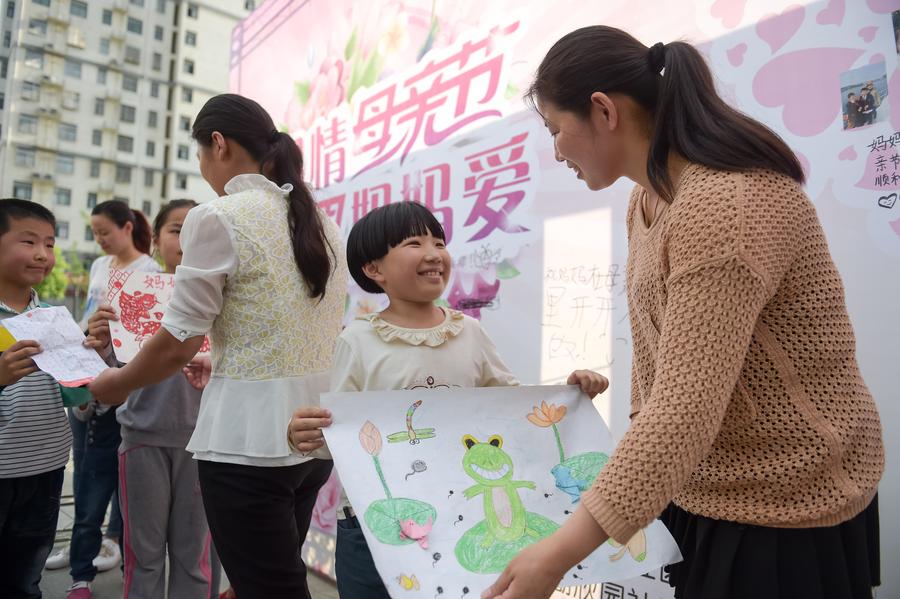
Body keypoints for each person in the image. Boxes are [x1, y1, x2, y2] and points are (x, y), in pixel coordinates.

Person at [482, 27, 883, 599]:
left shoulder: (725, 204)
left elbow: (683, 412)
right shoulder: (645, 200)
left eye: (554, 130)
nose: (555, 152)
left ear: (602, 110)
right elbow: (667, 380)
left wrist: (557, 557)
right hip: (700, 487)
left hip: (785, 502)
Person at [88, 93, 349, 599]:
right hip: (314, 438)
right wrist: (223, 359)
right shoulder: (321, 220)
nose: (204, 168)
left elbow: (175, 344)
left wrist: (113, 384)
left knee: (270, 587)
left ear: (218, 144)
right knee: (275, 581)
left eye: (201, 155)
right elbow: (282, 330)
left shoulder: (218, 216)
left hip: (246, 444)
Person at [287, 202, 609, 598]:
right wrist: (306, 434)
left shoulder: (469, 334)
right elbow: (336, 437)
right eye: (413, 243)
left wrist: (573, 392)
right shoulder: (358, 341)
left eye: (438, 241)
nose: (433, 253)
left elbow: (516, 411)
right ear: (374, 270)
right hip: (377, 530)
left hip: (460, 520)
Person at [83, 200, 219, 599]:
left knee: (195, 557)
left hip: (205, 444)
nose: (188, 239)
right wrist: (101, 340)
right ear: (156, 241)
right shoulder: (130, 297)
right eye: (177, 229)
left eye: (199, 230)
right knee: (143, 555)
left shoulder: (227, 304)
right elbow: (107, 370)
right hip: (143, 438)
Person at [50, 201, 160, 599]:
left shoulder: (149, 272)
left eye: (104, 231)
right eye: (95, 232)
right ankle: (86, 546)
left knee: (112, 472)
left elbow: (139, 337)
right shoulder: (100, 266)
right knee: (84, 471)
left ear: (127, 227)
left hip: (118, 384)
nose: (100, 239)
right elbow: (88, 317)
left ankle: (108, 542)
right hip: (85, 372)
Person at [0, 199, 88, 599]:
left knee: (25, 576)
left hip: (46, 467)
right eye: (29, 241)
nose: (42, 254)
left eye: (50, 244)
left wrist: (95, 357)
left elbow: (77, 394)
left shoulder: (54, 315)